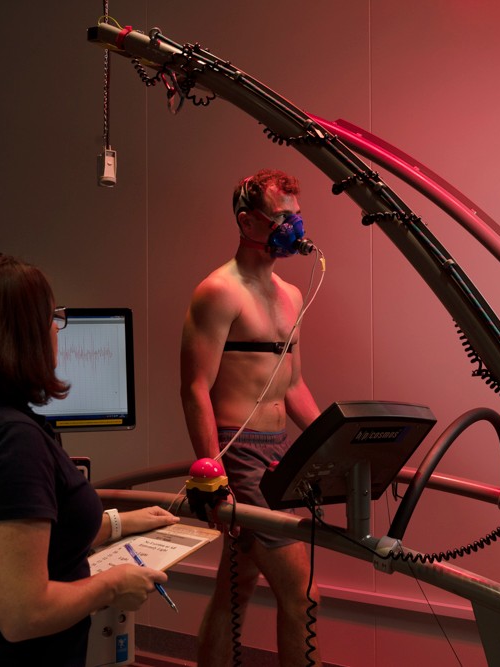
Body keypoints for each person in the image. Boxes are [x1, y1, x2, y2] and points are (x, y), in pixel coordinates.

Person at [0, 253, 179, 667]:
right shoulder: (12, 441)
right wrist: (112, 586)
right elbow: (22, 614)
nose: (57, 328)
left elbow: (11, 544)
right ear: (24, 334)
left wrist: (120, 523)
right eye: (52, 317)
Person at [180, 169, 323, 666]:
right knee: (303, 593)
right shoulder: (219, 291)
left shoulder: (292, 295)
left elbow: (294, 385)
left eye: (296, 215)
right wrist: (210, 472)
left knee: (234, 592)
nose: (293, 227)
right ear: (248, 221)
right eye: (281, 216)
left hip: (278, 448)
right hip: (237, 452)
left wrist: (331, 440)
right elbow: (195, 387)